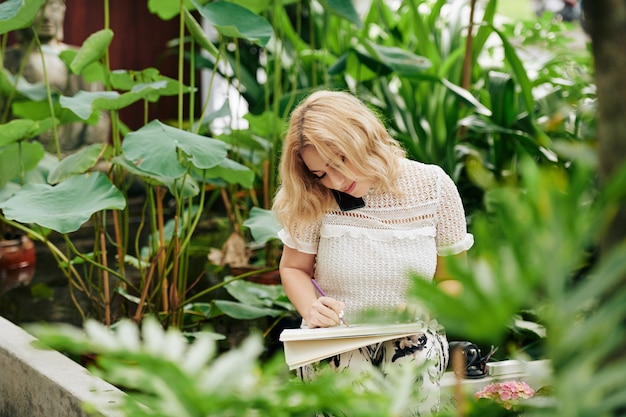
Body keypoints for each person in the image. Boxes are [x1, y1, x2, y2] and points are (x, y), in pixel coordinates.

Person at [272, 90, 474, 416]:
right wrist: (311, 309)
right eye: (321, 173)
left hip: (413, 336)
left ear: (364, 138)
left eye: (341, 160)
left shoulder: (433, 186)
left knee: (412, 365)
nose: (336, 181)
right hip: (336, 339)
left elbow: (454, 280)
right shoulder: (314, 196)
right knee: (349, 377)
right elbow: (293, 268)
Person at [3, 0, 109, 156]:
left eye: (53, 8)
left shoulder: (80, 59)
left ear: (63, 10)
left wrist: (82, 159)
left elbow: (99, 116)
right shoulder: (5, 61)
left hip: (77, 159)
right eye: (38, 9)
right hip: (22, 159)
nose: (47, 17)